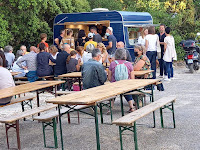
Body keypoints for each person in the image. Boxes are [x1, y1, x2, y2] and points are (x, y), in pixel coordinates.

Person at [108, 48, 135, 112]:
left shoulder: (112, 64)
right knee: (128, 92)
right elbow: (132, 78)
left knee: (112, 94)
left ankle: (110, 108)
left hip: (115, 85)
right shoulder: (129, 64)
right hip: (126, 85)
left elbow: (109, 78)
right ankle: (131, 107)